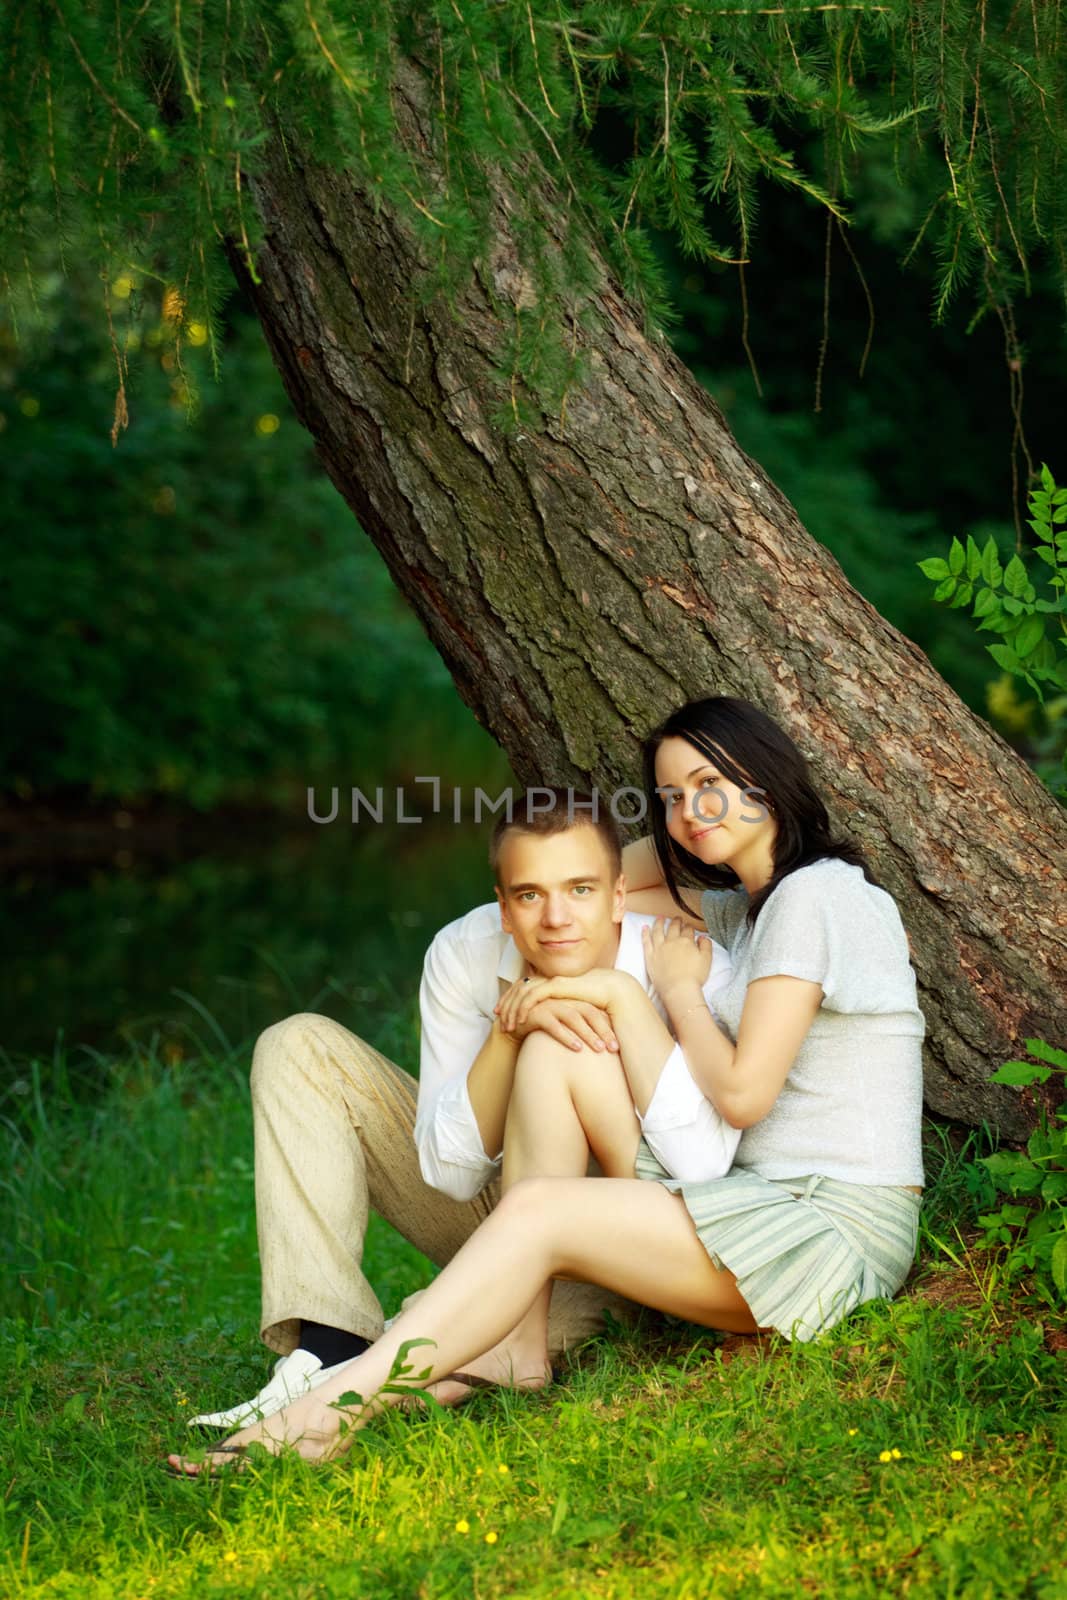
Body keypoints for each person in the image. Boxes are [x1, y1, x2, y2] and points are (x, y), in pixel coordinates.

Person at [169, 696, 925, 1475]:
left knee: (541, 1187)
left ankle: (323, 1414)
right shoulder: (744, 911)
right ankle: (488, 1353)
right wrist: (566, 894)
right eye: (667, 798)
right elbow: (600, 869)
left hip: (826, 1229)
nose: (688, 813)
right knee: (558, 1042)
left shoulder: (814, 896)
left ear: (765, 778)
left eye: (709, 783)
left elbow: (739, 1098)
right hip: (761, 1205)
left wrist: (662, 994)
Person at [187, 789, 735, 1431]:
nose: (556, 918)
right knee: (298, 1044)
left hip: (614, 1243)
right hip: (492, 1200)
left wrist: (608, 1006)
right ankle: (327, 1341)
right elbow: (448, 1173)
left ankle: (386, 1356)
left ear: (618, 894)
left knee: (470, 1329)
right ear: (504, 907)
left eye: (580, 890)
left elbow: (706, 1179)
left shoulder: (685, 965)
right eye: (530, 894)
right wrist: (510, 1028)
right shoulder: (463, 950)